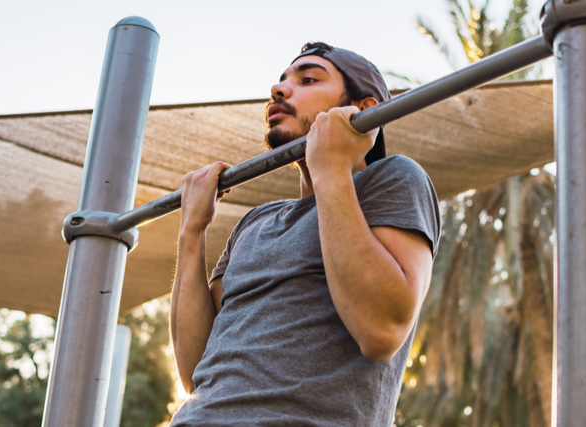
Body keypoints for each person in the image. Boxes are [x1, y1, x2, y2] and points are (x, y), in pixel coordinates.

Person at [169, 42, 441, 427]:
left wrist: (331, 168)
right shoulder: (254, 223)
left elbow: (382, 330)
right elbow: (196, 369)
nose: (278, 90)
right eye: (281, 80)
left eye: (308, 79)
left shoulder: (392, 178)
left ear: (364, 110)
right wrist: (191, 233)